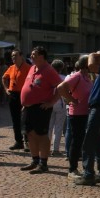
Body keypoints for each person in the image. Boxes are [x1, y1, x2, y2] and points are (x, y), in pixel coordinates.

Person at [72, 51, 100, 186]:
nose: (95, 61)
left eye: (98, 59)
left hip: (99, 110)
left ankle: (88, 174)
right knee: (97, 144)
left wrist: (91, 55)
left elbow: (90, 66)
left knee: (88, 142)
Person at [20, 46, 63, 174]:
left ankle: (43, 164)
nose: (31, 56)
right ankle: (35, 160)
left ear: (42, 56)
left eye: (34, 54)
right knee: (30, 133)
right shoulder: (33, 68)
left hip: (41, 108)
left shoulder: (49, 70)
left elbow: (61, 87)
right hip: (28, 108)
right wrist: (25, 102)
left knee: (41, 135)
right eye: (32, 54)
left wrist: (51, 102)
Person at [56, 55, 92, 176]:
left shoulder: (87, 77)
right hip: (76, 114)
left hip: (84, 113)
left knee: (80, 140)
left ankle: (77, 167)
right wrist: (72, 99)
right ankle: (72, 168)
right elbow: (60, 88)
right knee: (76, 141)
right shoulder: (77, 76)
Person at [1, 49, 31, 151]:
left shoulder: (28, 68)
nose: (13, 58)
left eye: (15, 56)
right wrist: (6, 89)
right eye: (12, 56)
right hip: (13, 95)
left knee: (26, 119)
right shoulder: (11, 68)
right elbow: (4, 78)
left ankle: (27, 142)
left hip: (24, 95)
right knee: (15, 120)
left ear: (21, 56)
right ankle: (18, 141)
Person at [48, 59, 67, 155]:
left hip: (50, 102)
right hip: (60, 102)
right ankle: (55, 149)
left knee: (49, 127)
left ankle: (46, 148)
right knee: (58, 127)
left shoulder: (48, 77)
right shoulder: (64, 77)